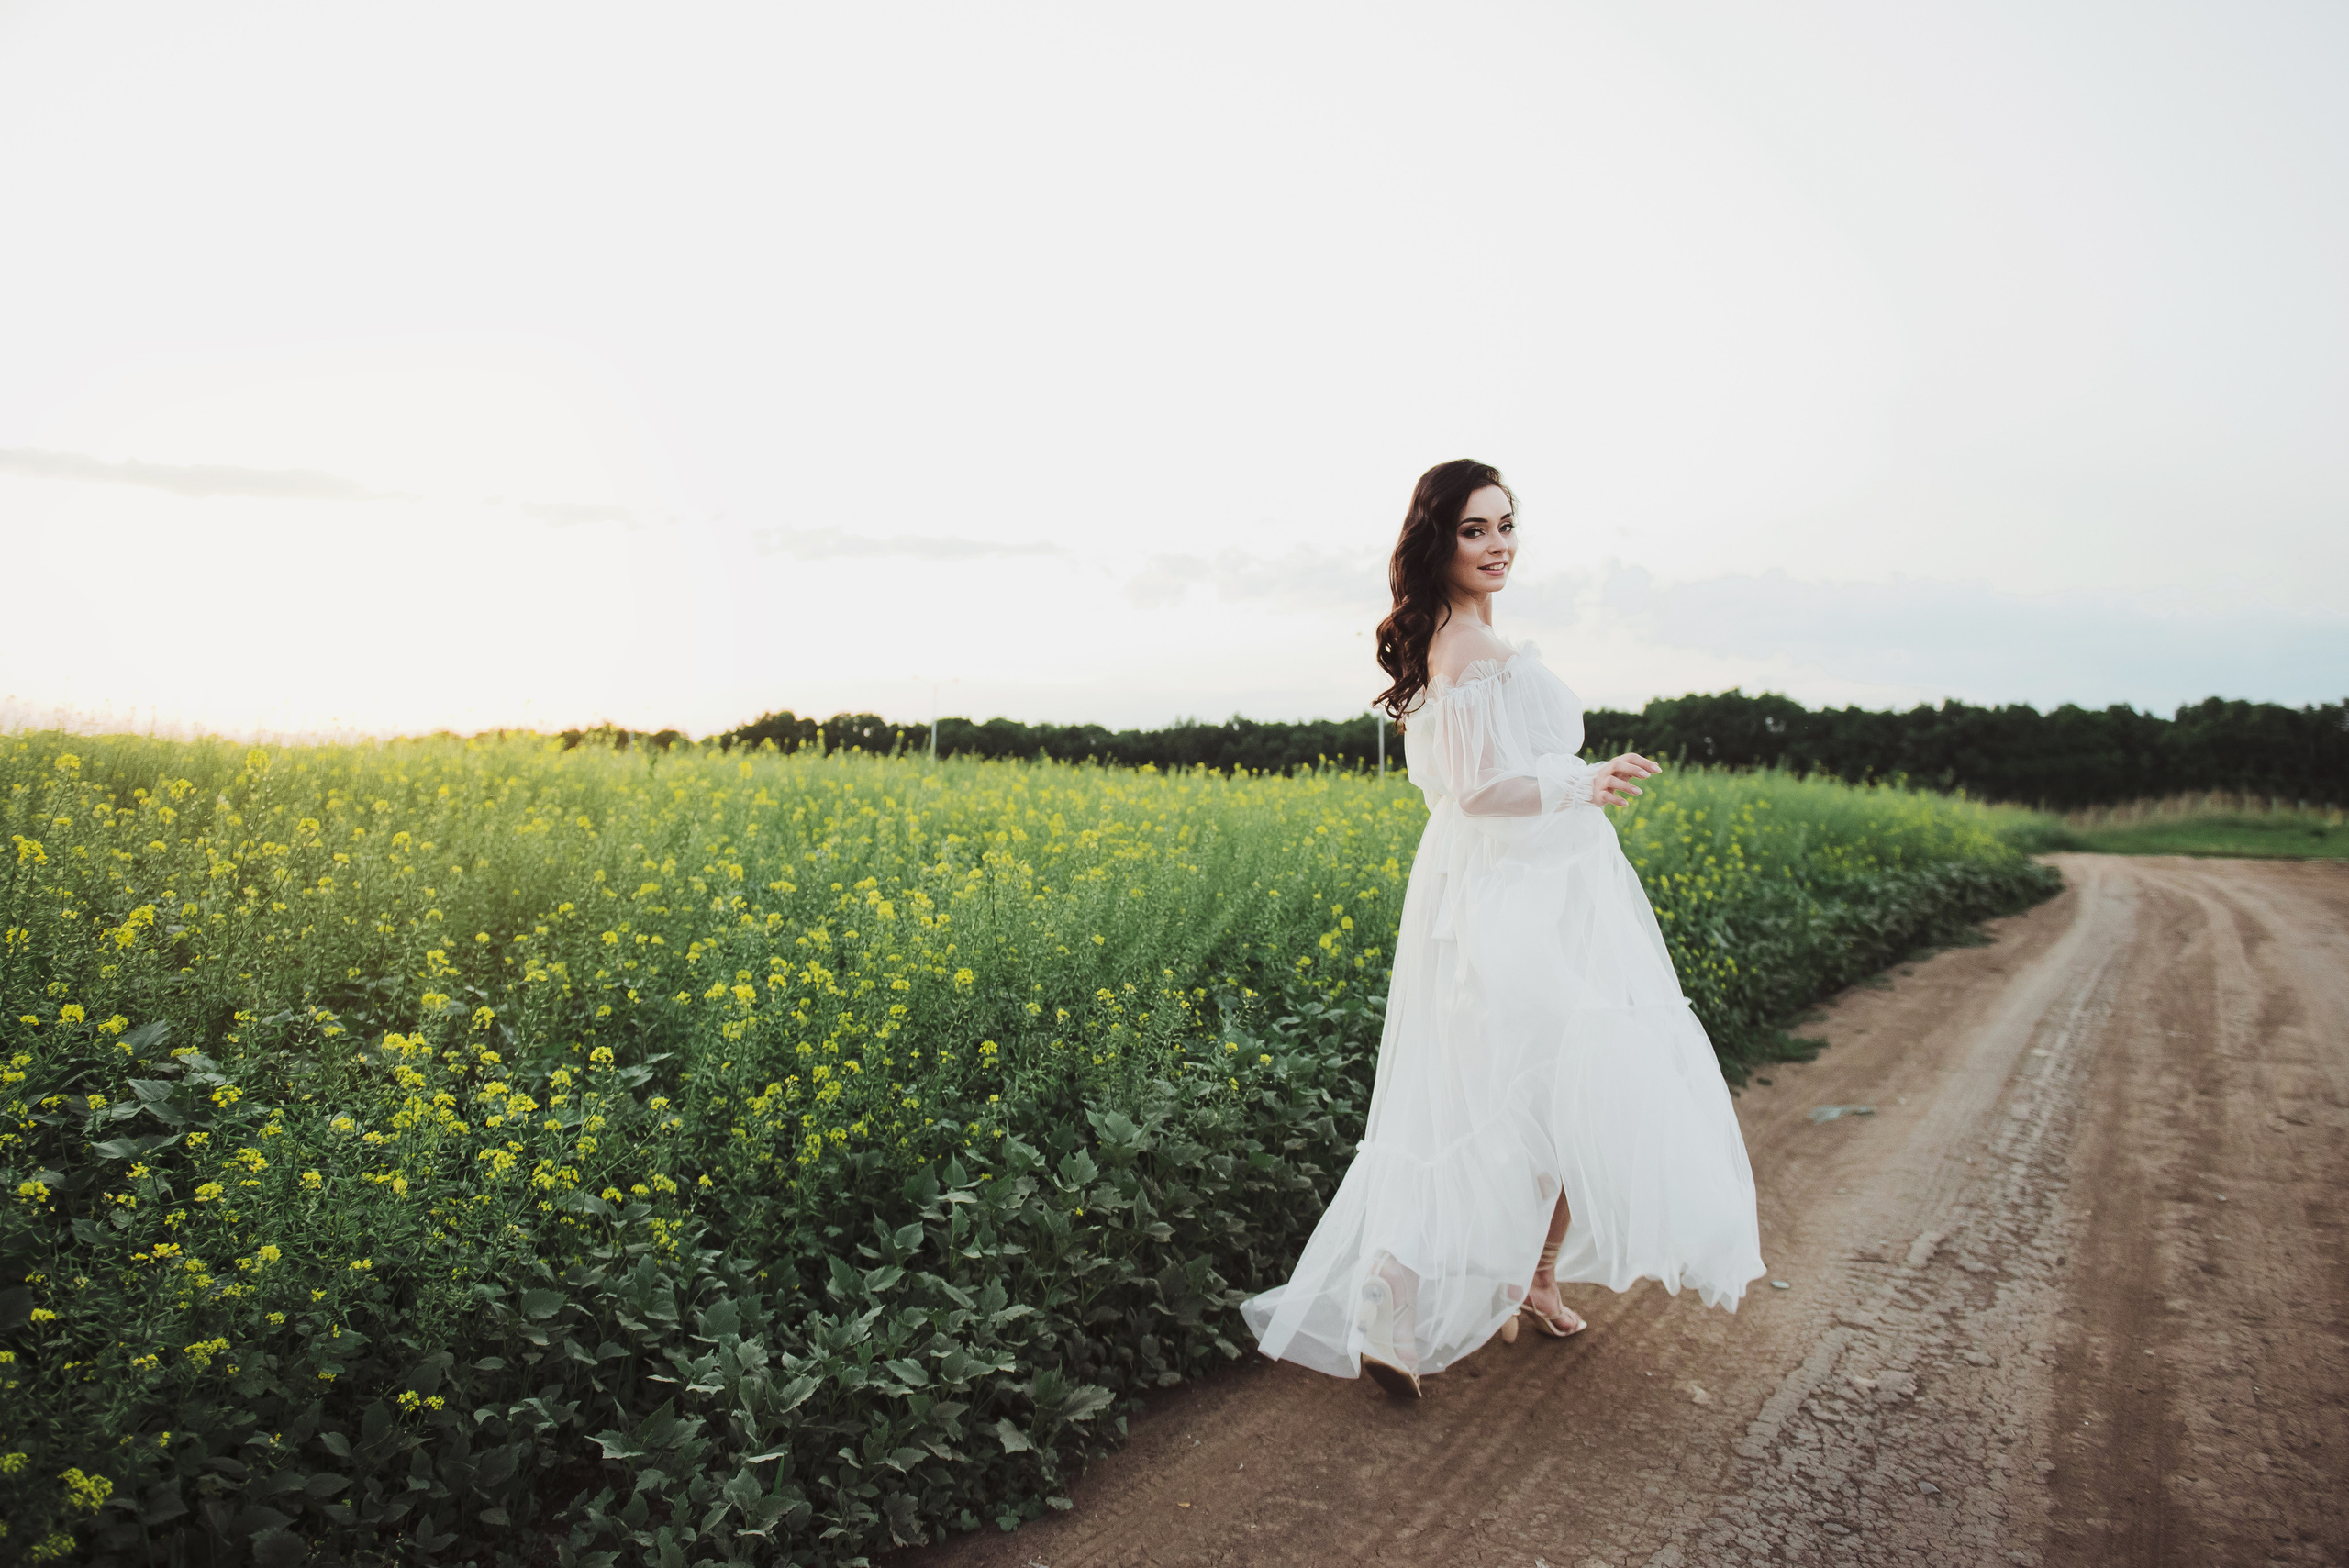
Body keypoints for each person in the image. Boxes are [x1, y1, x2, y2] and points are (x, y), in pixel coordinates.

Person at [1238, 459, 1766, 1398]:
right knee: (1525, 1091)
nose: (1497, 545)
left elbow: (1483, 778)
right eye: (1474, 529)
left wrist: (1573, 783)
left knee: (1542, 1090)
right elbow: (1481, 791)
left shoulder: (1464, 637)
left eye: (1506, 524)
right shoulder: (1465, 648)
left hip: (1532, 887)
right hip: (1513, 897)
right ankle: (1404, 1287)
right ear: (1436, 541)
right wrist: (1583, 779)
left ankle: (1522, 1278)